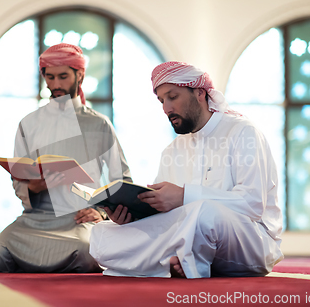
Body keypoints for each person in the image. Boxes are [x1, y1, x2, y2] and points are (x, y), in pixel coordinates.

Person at [90, 61, 283, 278]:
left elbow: (252, 204)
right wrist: (132, 217)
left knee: (204, 213)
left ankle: (172, 261)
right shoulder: (172, 151)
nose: (166, 108)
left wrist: (184, 196)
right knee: (102, 234)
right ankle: (183, 260)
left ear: (199, 93)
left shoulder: (243, 133)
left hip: (249, 241)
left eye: (173, 97)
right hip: (188, 235)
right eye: (162, 101)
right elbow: (163, 215)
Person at [0, 43, 131, 273]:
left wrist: (102, 212)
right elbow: (18, 180)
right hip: (35, 219)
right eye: (50, 77)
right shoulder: (29, 123)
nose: (56, 85)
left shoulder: (99, 124)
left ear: (80, 75)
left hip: (78, 219)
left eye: (63, 76)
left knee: (84, 252)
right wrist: (33, 187)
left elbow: (122, 180)